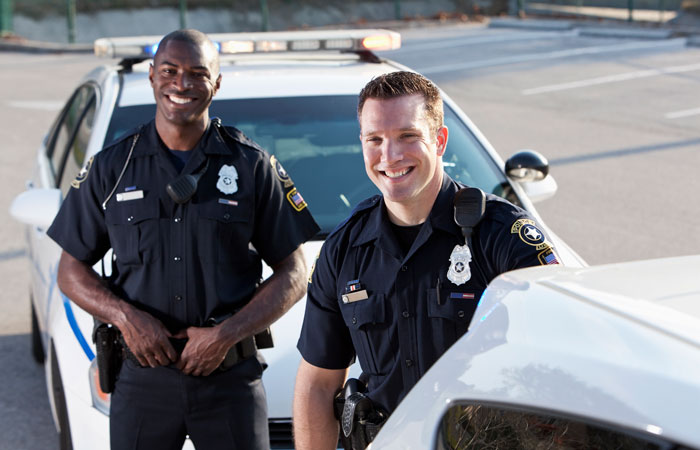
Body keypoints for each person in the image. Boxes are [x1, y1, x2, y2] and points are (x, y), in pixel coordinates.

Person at [48, 29, 319, 450]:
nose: (182, 84)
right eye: (171, 71)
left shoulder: (251, 167)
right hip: (142, 384)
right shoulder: (113, 167)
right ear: (153, 76)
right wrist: (126, 318)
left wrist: (226, 334)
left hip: (230, 383)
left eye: (197, 73)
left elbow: (296, 271)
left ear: (216, 82)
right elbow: (70, 270)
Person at [292, 71, 560, 449]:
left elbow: (563, 354)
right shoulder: (343, 249)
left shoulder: (500, 235)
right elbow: (318, 383)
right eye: (375, 140)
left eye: (407, 136)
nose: (390, 156)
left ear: (439, 140)